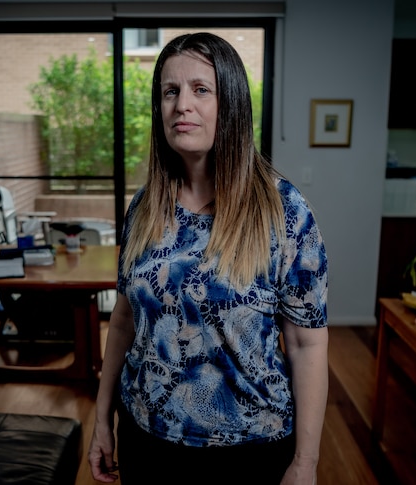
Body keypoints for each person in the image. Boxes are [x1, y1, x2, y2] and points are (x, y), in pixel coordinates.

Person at [88, 33, 329, 485]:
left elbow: (306, 344)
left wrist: (307, 461)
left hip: (250, 450)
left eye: (201, 89)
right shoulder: (144, 208)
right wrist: (103, 418)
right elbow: (123, 320)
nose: (182, 104)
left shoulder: (284, 210)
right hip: (146, 439)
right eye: (170, 91)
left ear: (231, 103)